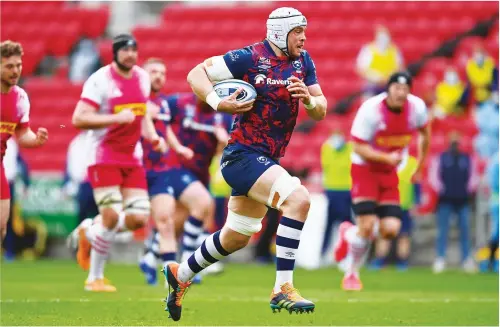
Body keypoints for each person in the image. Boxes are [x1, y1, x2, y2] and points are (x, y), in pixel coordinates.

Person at [162, 7, 327, 321]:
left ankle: (179, 274)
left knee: (237, 235)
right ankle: (283, 287)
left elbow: (321, 109)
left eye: (304, 31)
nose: (303, 37)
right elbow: (195, 74)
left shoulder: (304, 61)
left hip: (265, 159)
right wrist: (218, 102)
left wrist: (309, 99)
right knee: (298, 200)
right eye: (297, 32)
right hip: (242, 155)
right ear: (279, 33)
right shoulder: (249, 57)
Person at [69, 34, 167, 292]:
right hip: (103, 156)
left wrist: (153, 136)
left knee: (138, 218)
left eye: (134, 50)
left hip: (131, 157)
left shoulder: (142, 78)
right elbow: (79, 118)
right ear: (114, 53)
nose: (130, 55)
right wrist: (114, 119)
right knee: (111, 217)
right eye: (124, 50)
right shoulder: (99, 80)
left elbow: (142, 112)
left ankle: (90, 230)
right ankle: (95, 278)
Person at [334, 71, 430, 291]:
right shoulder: (371, 110)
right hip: (364, 169)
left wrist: (421, 164)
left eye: (405, 89)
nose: (401, 93)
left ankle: (348, 232)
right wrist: (387, 157)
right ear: (388, 90)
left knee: (390, 229)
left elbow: (425, 132)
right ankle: (352, 274)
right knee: (366, 228)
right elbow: (357, 146)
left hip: (389, 171)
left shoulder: (416, 109)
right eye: (397, 88)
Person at [138, 57, 195, 285]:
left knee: (166, 220)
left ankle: (170, 277)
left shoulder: (161, 103)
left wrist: (178, 147)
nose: (159, 76)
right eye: (153, 72)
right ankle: (94, 232)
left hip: (159, 169)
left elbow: (166, 129)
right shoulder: (135, 101)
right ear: (143, 74)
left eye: (162, 72)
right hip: (135, 168)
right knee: (133, 220)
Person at [1, 40, 49, 240]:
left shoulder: (20, 97)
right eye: (9, 66)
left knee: (2, 227)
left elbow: (22, 134)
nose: (15, 71)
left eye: (18, 65)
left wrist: (36, 140)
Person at [428, 132, 479, 273]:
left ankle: (466, 259)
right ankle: (440, 258)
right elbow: (434, 177)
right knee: (443, 230)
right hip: (445, 200)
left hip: (463, 200)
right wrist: (442, 190)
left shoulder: (467, 159)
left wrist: (467, 190)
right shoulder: (441, 158)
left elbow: (473, 178)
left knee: (465, 230)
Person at [368, 152, 419, 271]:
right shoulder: (385, 160)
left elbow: (416, 184)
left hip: (405, 206)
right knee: (384, 234)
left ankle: (402, 261)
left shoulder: (412, 163)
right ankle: (380, 260)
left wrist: (415, 202)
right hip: (387, 204)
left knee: (404, 235)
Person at [320, 130, 352, 261]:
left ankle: (349, 253)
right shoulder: (327, 148)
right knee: (331, 224)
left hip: (347, 191)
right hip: (331, 191)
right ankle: (324, 254)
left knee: (347, 224)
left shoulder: (350, 148)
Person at [356, 25, 404, 97]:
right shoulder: (368, 49)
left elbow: (400, 67)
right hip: (372, 85)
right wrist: (376, 78)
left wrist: (388, 78)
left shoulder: (394, 50)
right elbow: (360, 68)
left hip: (389, 84)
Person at [2, 139, 30, 261]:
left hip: (8, 184)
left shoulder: (11, 144)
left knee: (7, 219)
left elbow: (21, 164)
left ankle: (10, 250)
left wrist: (25, 183)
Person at [62, 131, 98, 225]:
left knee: (100, 218)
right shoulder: (76, 143)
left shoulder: (99, 139)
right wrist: (66, 184)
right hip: (84, 184)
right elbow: (69, 165)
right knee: (83, 217)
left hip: (98, 183)